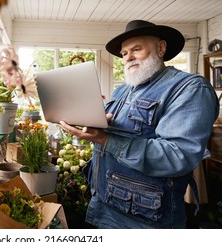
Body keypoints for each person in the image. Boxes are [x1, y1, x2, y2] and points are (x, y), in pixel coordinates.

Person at [59, 20, 220, 229]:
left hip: (145, 221)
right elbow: (113, 135)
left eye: (136, 49)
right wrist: (90, 122)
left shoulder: (190, 88)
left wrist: (105, 139)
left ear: (161, 48)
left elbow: (177, 155)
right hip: (104, 207)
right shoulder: (122, 91)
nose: (128, 58)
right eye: (124, 53)